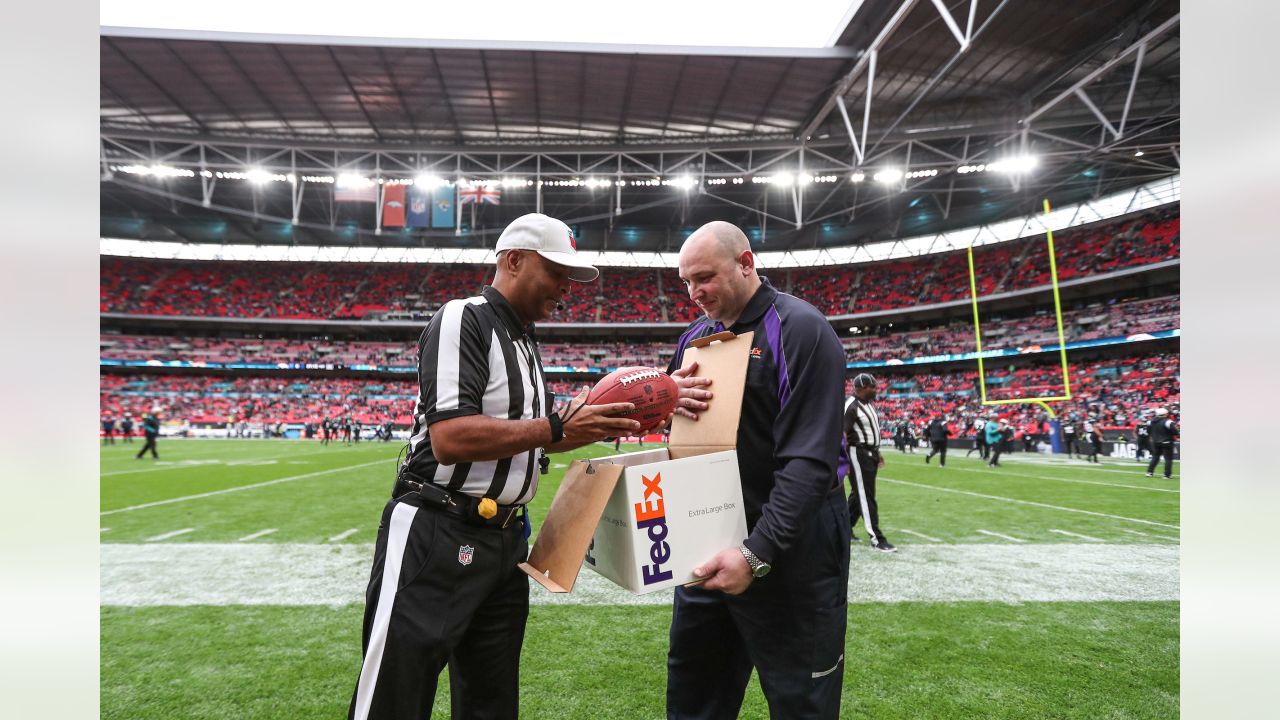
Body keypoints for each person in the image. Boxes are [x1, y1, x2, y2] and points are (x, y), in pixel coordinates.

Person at [346, 213, 642, 720]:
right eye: (557, 272)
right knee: (395, 694)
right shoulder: (465, 317)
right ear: (513, 260)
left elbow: (531, 440)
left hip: (505, 545)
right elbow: (450, 437)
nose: (566, 288)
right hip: (437, 532)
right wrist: (554, 427)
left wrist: (601, 421)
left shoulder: (526, 341)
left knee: (491, 701)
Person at [664, 221, 849, 719]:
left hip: (793, 547)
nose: (694, 292)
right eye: (686, 282)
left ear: (746, 263)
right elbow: (685, 444)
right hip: (710, 540)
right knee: (694, 696)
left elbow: (809, 463)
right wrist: (665, 401)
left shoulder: (800, 329)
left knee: (799, 702)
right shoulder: (694, 340)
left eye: (704, 277)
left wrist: (757, 552)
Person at [845, 374, 894, 552]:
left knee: (859, 495)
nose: (875, 389)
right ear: (863, 387)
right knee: (866, 496)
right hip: (858, 453)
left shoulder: (868, 405)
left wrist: (877, 452)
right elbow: (842, 435)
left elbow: (870, 431)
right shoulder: (851, 406)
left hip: (870, 453)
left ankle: (845, 529)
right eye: (872, 387)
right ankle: (877, 538)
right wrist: (843, 460)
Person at [1146, 407, 1178, 479]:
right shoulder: (1168, 421)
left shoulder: (1150, 421)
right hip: (1167, 442)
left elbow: (1148, 431)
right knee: (1168, 459)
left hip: (1155, 442)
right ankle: (1166, 475)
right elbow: (1176, 432)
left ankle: (1149, 472)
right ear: (1165, 414)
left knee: (1155, 457)